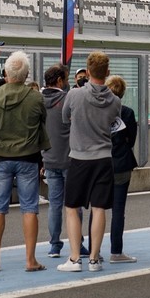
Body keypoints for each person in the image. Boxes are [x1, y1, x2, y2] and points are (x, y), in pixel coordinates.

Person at [0, 50, 49, 272]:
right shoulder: (35, 97)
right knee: (29, 207)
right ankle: (30, 260)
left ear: (5, 72)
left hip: (1, 156)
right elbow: (43, 119)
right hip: (29, 157)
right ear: (26, 75)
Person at [60, 50, 120, 271]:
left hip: (79, 157)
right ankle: (94, 259)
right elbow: (114, 122)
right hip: (104, 158)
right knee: (100, 208)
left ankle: (75, 258)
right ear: (107, 72)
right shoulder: (115, 101)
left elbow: (65, 117)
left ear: (87, 71)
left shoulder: (74, 95)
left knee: (72, 207)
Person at [41, 64, 73, 258]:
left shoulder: (38, 100)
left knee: (54, 204)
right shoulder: (67, 98)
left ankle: (54, 244)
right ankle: (79, 242)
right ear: (60, 80)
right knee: (73, 204)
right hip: (69, 158)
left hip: (49, 158)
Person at [107, 74, 139, 263]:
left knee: (97, 208)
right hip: (121, 163)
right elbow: (131, 139)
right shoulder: (127, 112)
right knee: (118, 209)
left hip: (101, 162)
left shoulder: (98, 110)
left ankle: (94, 252)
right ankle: (116, 251)